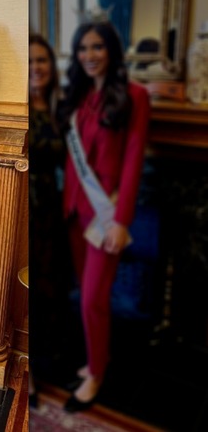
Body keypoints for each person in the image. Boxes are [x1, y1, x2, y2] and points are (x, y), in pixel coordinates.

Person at [57, 20, 150, 412]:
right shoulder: (79, 97)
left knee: (94, 297)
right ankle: (99, 357)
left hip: (106, 214)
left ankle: (96, 372)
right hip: (77, 210)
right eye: (83, 48)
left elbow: (133, 161)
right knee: (86, 295)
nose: (89, 55)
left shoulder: (134, 96)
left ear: (111, 50)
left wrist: (120, 220)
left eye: (96, 47)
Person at [28, 34, 71, 408]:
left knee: (57, 284)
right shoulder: (29, 109)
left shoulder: (61, 106)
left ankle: (54, 365)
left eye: (42, 60)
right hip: (32, 212)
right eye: (29, 62)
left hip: (59, 209)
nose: (36, 68)